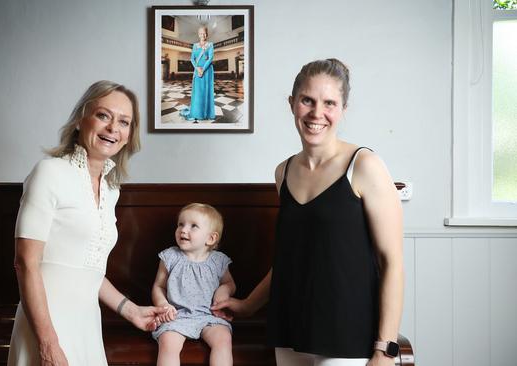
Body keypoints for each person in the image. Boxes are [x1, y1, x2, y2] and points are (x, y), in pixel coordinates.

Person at [211, 59, 404, 366]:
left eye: (330, 103)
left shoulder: (365, 165)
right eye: (307, 100)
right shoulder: (283, 172)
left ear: (343, 109)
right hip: (291, 327)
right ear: (292, 104)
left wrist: (385, 349)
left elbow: (391, 262)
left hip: (348, 333)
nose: (317, 113)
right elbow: (291, 258)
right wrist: (248, 305)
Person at [7, 80, 168, 366]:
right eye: (103, 115)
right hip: (47, 327)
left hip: (87, 324)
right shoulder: (49, 172)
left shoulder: (110, 189)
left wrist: (130, 311)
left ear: (130, 134)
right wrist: (48, 344)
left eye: (124, 122)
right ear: (81, 120)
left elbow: (87, 268)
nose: (112, 128)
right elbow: (25, 263)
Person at [152, 203, 235, 366]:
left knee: (223, 338)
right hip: (177, 316)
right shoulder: (170, 257)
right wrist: (163, 305)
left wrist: (224, 291)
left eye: (193, 226)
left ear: (211, 238)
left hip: (208, 315)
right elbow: (158, 286)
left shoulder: (218, 261)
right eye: (180, 224)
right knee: (168, 341)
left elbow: (229, 283)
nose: (183, 230)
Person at [180, 26, 216, 122]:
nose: (202, 35)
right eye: (200, 33)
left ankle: (206, 113)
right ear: (198, 34)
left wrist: (203, 69)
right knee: (198, 93)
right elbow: (192, 59)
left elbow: (210, 58)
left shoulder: (210, 45)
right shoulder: (195, 46)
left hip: (207, 71)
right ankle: (197, 112)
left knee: (206, 91)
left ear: (207, 34)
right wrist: (197, 68)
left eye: (204, 33)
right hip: (197, 71)